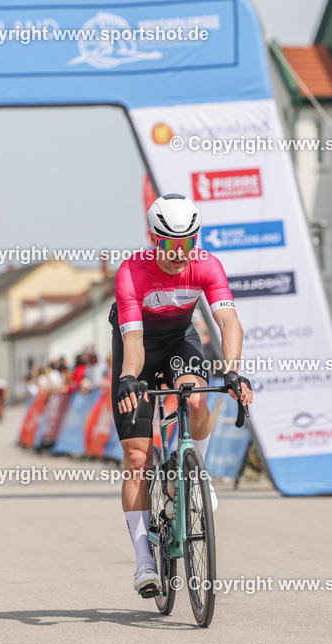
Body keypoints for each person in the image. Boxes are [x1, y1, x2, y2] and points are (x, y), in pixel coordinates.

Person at [112, 193, 253, 597]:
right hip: (136, 343)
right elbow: (134, 341)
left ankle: (195, 472)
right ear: (154, 240)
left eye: (188, 244)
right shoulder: (132, 273)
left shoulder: (206, 264)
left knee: (194, 399)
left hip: (179, 340)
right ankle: (143, 561)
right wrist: (128, 379)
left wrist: (232, 371)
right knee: (138, 456)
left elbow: (228, 321)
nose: (180, 254)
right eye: (171, 246)